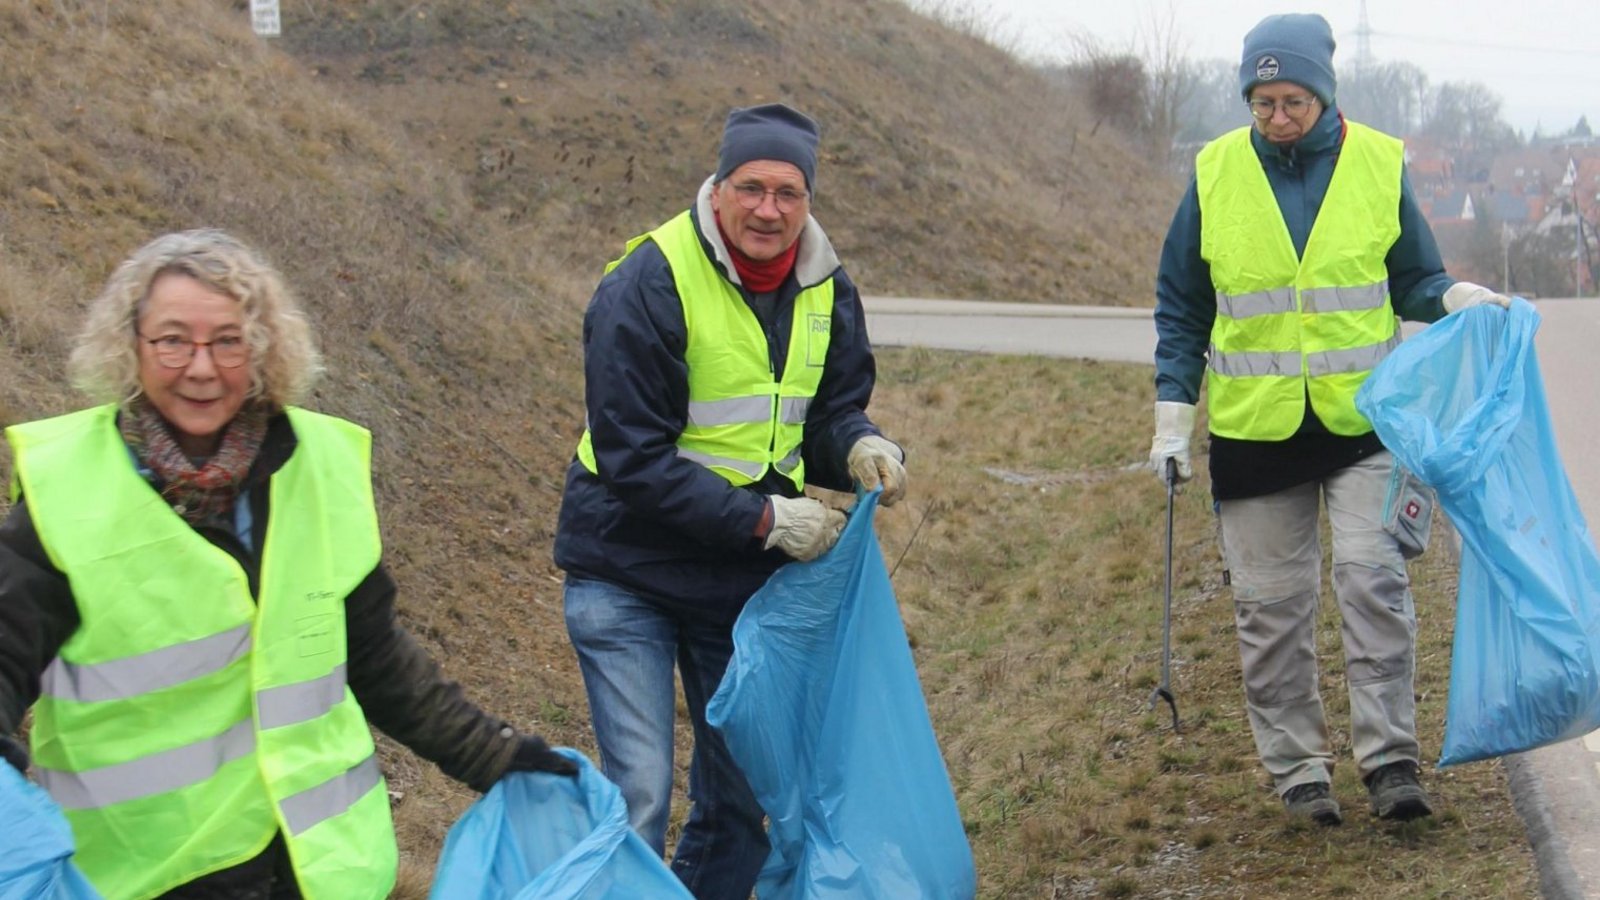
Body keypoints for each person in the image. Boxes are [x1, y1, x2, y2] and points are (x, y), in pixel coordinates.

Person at [0, 229, 577, 899]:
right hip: (151, 871)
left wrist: (494, 753)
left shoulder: (318, 467)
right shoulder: (68, 492)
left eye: (228, 340)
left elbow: (375, 657)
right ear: (131, 346)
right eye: (172, 340)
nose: (201, 367)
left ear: (264, 347)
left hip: (320, 868)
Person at [1149, 13, 1511, 827]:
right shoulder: (1213, 172)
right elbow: (1182, 306)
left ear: (1325, 93)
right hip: (1255, 431)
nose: (1277, 117)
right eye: (1262, 101)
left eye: (1293, 101)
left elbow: (1414, 276)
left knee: (1372, 584)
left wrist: (1455, 298)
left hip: (1363, 425)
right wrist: (1173, 416)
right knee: (1272, 610)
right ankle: (1300, 770)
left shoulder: (1379, 163)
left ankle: (1389, 761)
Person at [553, 102, 907, 899]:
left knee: (744, 796)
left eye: (789, 192)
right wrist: (770, 519)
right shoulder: (646, 281)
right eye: (751, 188)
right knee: (640, 792)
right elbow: (633, 459)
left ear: (809, 200)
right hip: (625, 568)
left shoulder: (828, 287)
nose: (768, 210)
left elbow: (822, 412)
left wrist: (858, 444)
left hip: (735, 581)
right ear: (717, 189)